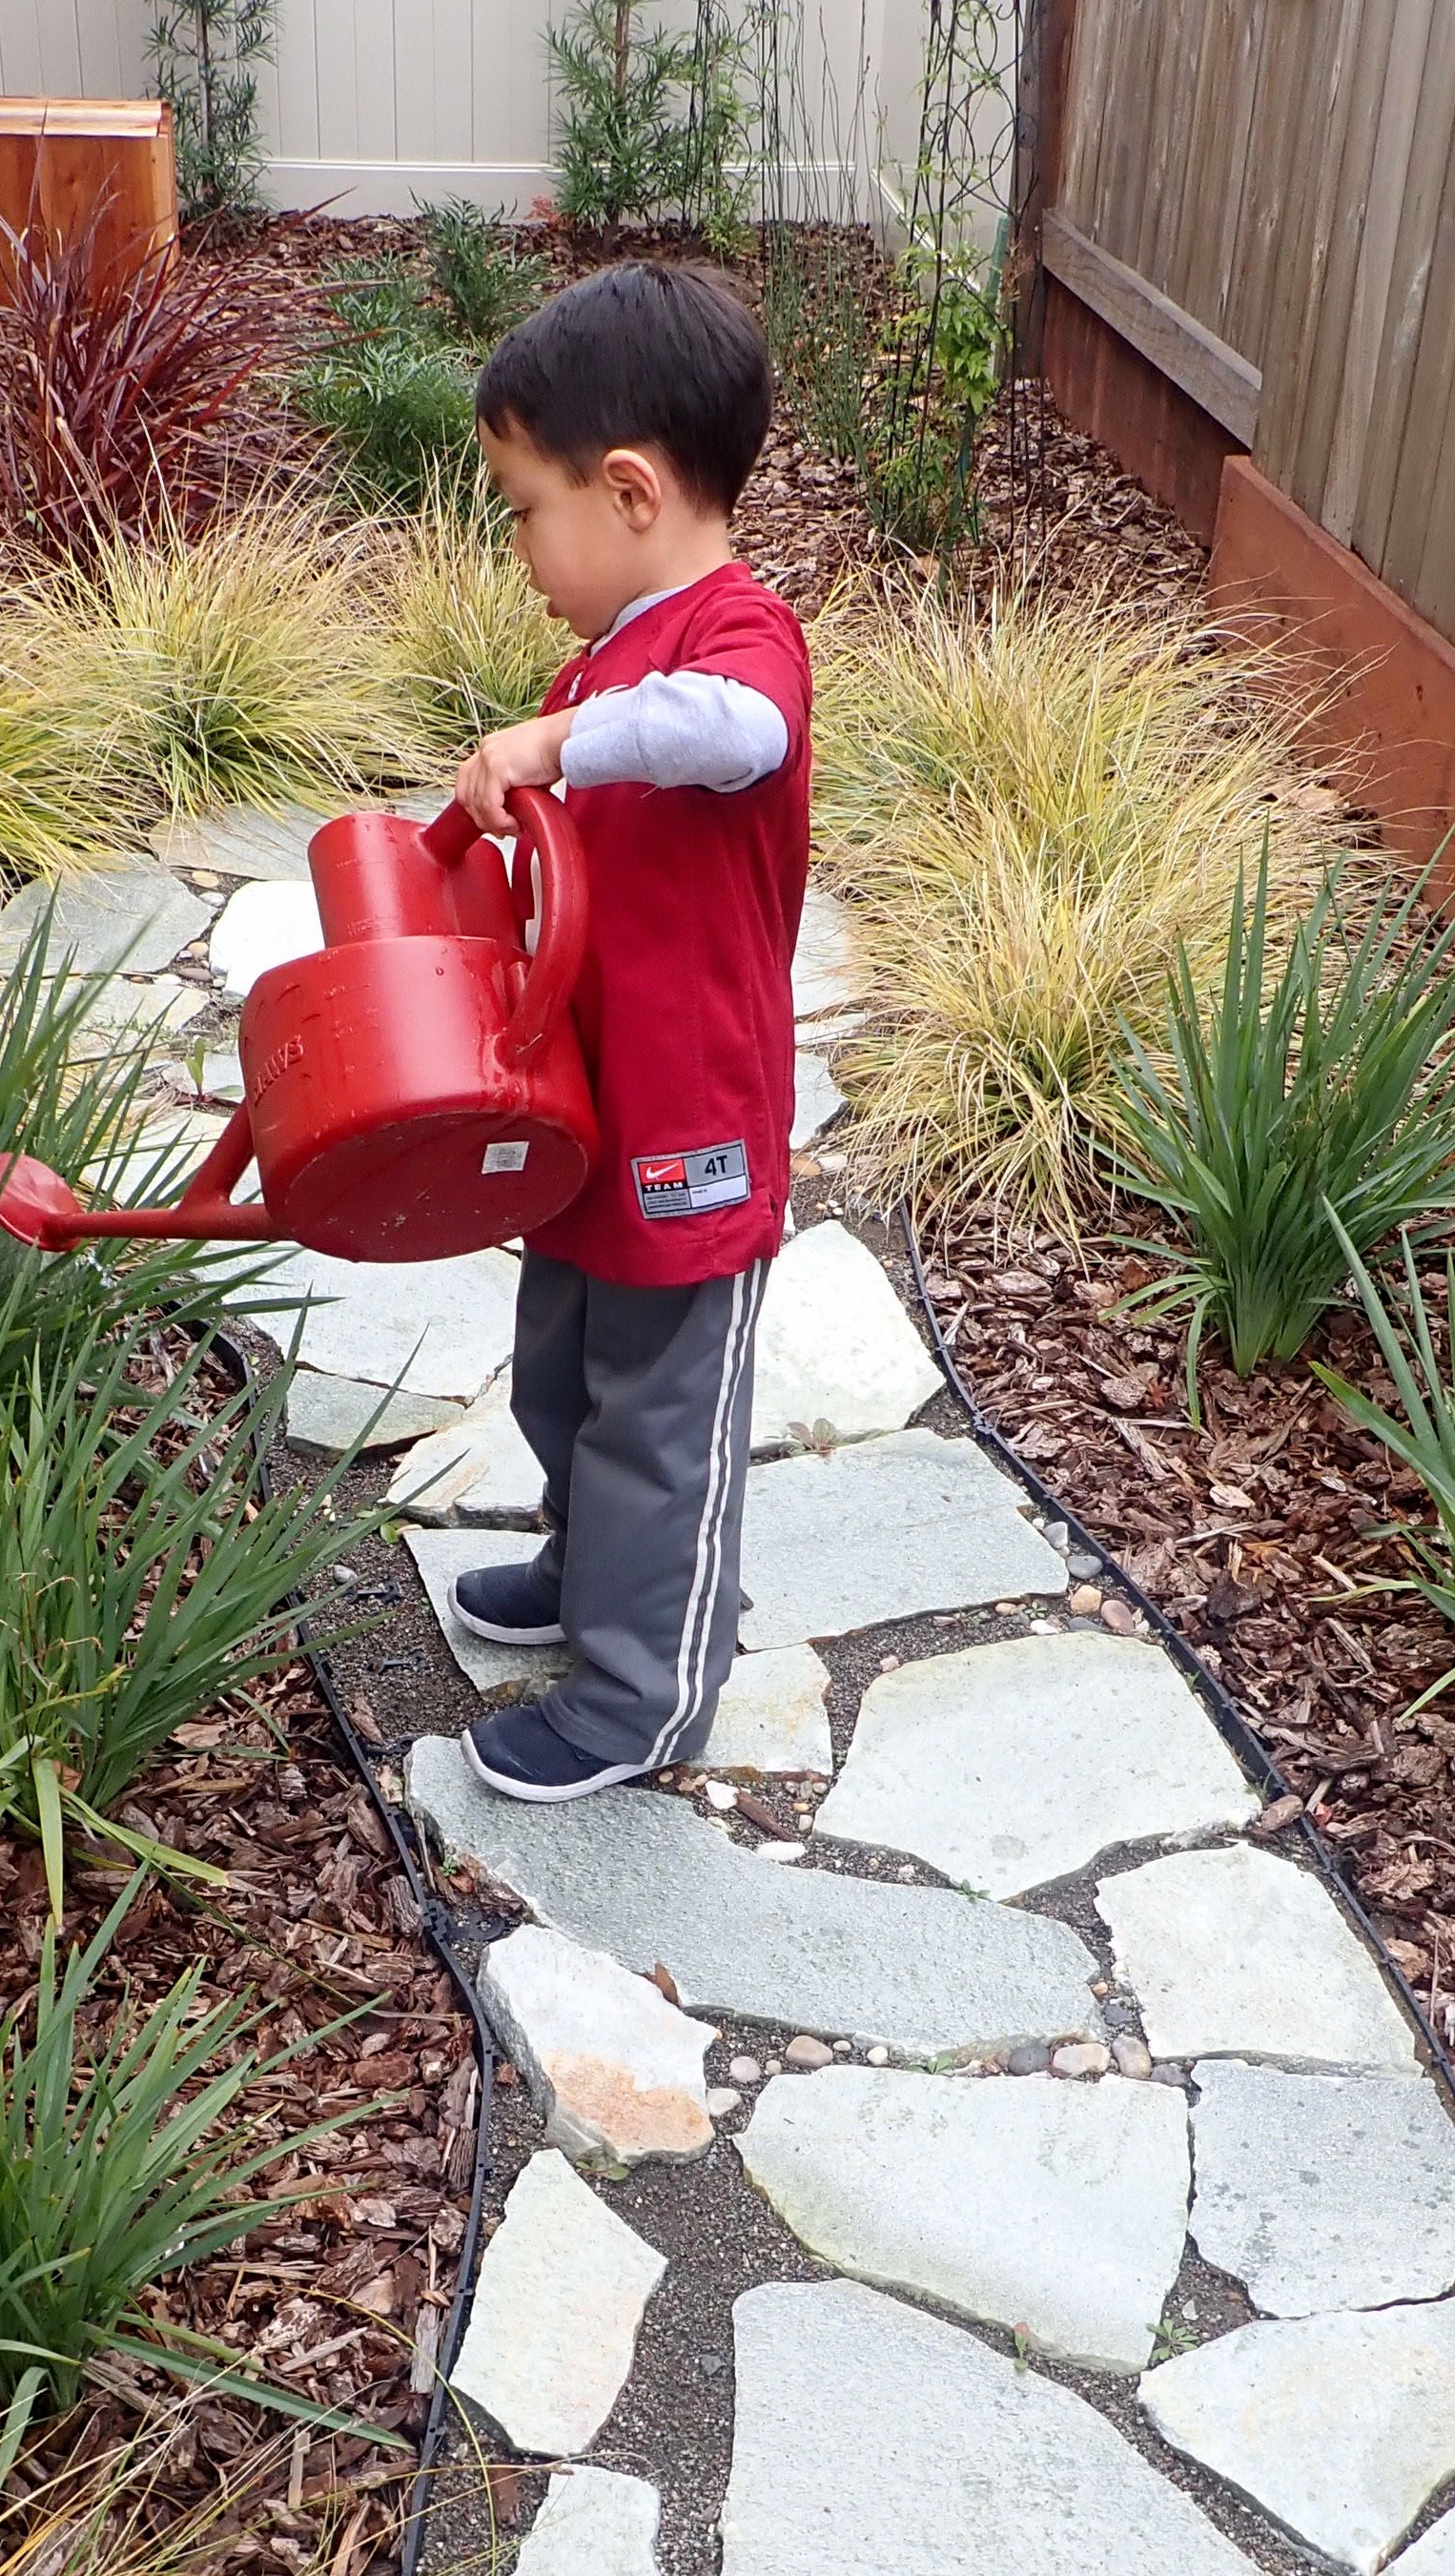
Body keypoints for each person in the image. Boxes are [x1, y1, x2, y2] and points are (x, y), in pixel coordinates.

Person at [443, 259, 811, 1802]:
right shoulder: (605, 657)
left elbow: (738, 733)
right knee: (563, 1372)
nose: (518, 545)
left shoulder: (735, 636)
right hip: (595, 1106)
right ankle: (586, 1570)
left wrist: (555, 737)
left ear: (631, 491)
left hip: (692, 1127)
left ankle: (638, 1696)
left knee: (660, 1412)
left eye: (525, 509)